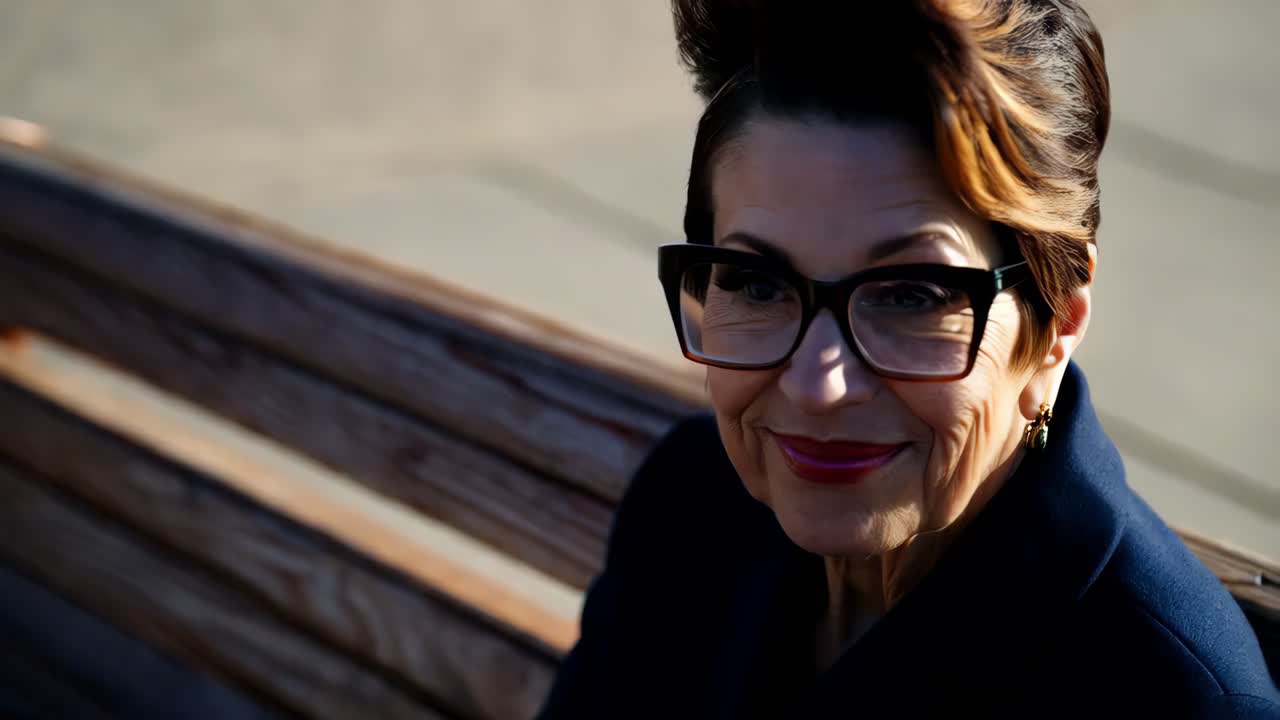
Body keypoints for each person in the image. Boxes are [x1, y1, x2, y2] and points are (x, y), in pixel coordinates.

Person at [537, 1, 1279, 716]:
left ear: (1059, 319)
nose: (818, 384)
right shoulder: (691, 504)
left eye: (910, 295)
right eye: (758, 283)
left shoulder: (1166, 694)